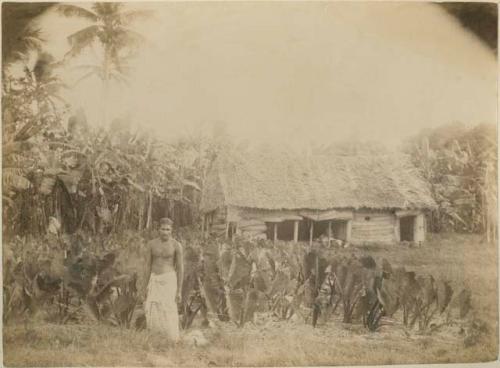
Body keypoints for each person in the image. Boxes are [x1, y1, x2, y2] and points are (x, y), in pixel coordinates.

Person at [144, 217, 184, 342]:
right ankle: (156, 337)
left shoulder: (176, 245)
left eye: (168, 229)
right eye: (163, 229)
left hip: (169, 280)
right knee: (153, 308)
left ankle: (171, 339)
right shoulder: (151, 244)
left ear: (171, 230)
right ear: (158, 229)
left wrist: (179, 290)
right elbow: (147, 266)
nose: (165, 232)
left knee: (168, 308)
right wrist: (145, 285)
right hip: (154, 279)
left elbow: (180, 268)